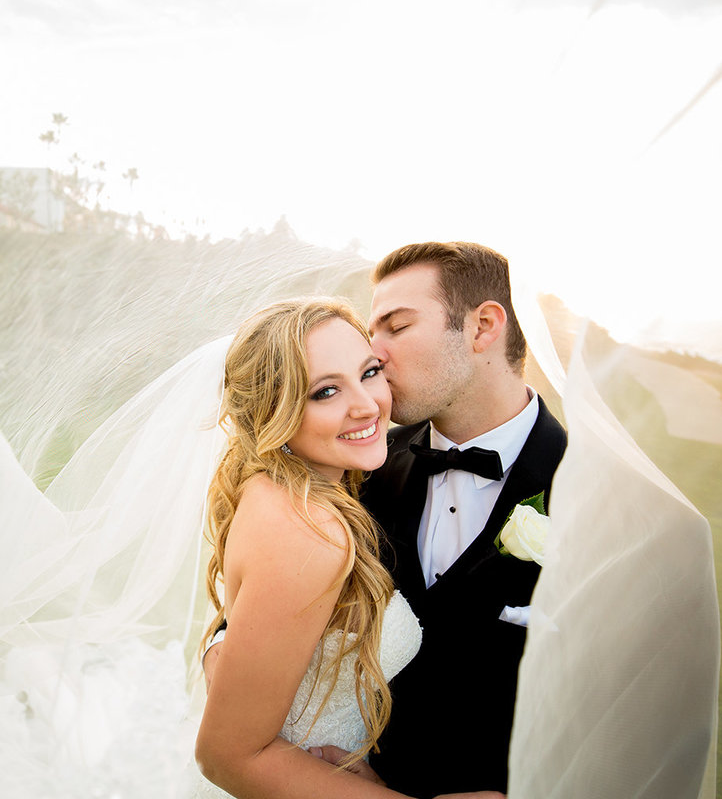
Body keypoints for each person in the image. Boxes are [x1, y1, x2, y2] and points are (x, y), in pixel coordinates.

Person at [194, 297, 502, 799]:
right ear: (275, 410)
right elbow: (226, 755)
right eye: (326, 391)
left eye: (370, 372)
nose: (367, 404)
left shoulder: (276, 485)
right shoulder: (309, 531)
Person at [359, 241, 568, 797]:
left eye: (395, 327)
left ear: (482, 328)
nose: (371, 355)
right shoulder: (358, 463)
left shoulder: (598, 501)